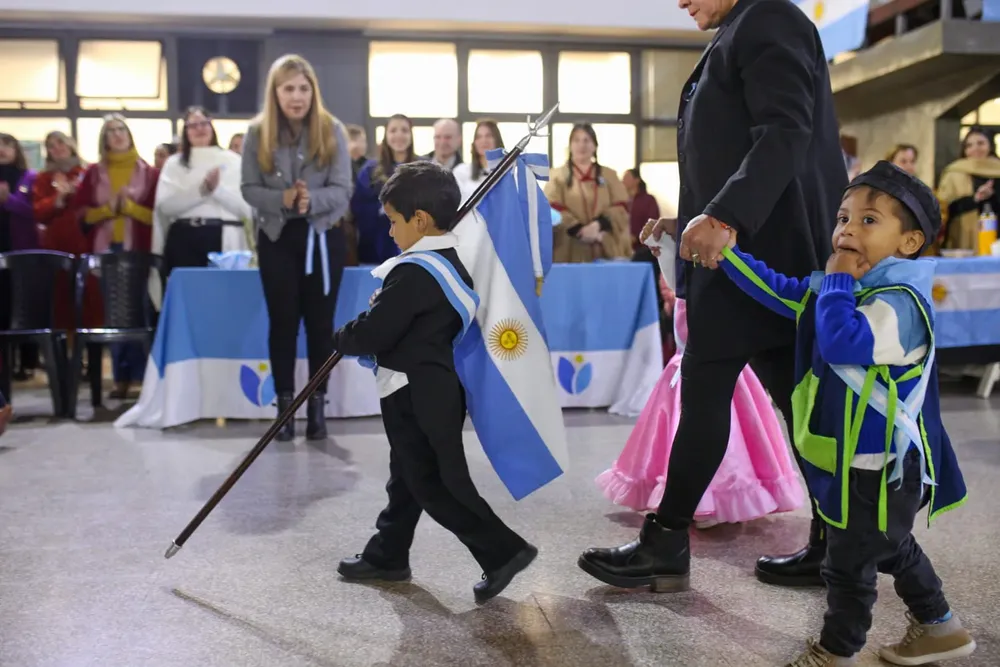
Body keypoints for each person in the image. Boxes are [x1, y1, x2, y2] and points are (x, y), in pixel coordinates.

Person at [577, 0, 847, 590]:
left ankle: (669, 544)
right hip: (744, 253)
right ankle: (831, 544)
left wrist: (725, 216)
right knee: (776, 401)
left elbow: (786, 130)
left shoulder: (771, 18)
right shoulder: (741, 30)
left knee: (768, 400)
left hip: (761, 263)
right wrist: (694, 220)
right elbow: (735, 152)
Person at [719, 161, 975, 666]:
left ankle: (836, 652)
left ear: (909, 243)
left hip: (880, 471)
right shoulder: (853, 289)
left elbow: (841, 342)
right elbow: (781, 291)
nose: (847, 229)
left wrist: (835, 282)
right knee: (889, 546)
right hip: (861, 464)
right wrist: (724, 254)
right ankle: (940, 625)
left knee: (847, 566)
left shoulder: (899, 303)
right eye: (843, 217)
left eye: (869, 220)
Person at [333, 162, 536, 603]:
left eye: (393, 222)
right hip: (425, 389)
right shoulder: (440, 263)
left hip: (416, 393)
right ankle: (388, 553)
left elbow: (375, 331)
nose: (389, 233)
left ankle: (503, 551)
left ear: (420, 220)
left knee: (437, 485)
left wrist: (342, 336)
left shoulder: (416, 271)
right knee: (407, 477)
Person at [597, 229, 804, 530]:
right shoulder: (688, 261)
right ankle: (694, 497)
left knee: (720, 427)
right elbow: (677, 286)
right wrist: (668, 249)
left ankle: (719, 495)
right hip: (690, 358)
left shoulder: (726, 244)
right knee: (689, 427)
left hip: (719, 354)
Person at [241, 54, 352, 441]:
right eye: (289, 88)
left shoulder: (331, 128)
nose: (297, 96)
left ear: (312, 92)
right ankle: (285, 410)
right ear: (276, 92)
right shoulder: (257, 133)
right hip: (277, 239)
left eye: (303, 88)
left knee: (321, 326)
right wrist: (284, 198)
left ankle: (317, 407)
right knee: (283, 324)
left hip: (322, 238)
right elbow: (249, 189)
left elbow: (343, 189)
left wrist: (311, 201)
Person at [76, 114, 159, 399]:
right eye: (111, 131)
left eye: (121, 129)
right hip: (106, 253)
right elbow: (82, 215)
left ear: (130, 134)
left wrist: (131, 208)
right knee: (113, 314)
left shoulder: (149, 173)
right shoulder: (93, 173)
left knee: (139, 311)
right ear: (104, 139)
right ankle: (120, 377)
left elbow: (158, 216)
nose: (117, 134)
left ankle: (140, 375)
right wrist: (109, 209)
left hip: (139, 252)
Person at [155, 106, 251, 277]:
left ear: (211, 127)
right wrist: (202, 191)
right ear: (185, 131)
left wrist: (217, 191)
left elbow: (246, 209)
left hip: (223, 238)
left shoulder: (233, 161)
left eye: (204, 124)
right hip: (184, 239)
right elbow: (165, 207)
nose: (199, 129)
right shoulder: (174, 164)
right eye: (192, 125)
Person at [545, 123, 632, 262]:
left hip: (606, 248)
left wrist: (597, 225)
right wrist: (579, 229)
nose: (582, 145)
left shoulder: (609, 175)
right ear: (570, 145)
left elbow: (621, 207)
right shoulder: (556, 176)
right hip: (568, 250)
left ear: (595, 146)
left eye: (587, 140)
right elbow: (551, 207)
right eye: (576, 140)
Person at [351, 114, 416, 264]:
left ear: (411, 135)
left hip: (415, 248)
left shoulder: (423, 168)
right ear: (385, 135)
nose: (399, 135)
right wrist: (385, 209)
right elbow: (358, 207)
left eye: (404, 130)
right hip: (376, 248)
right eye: (393, 130)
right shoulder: (370, 170)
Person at [936, 126, 1000, 252]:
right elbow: (944, 210)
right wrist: (974, 199)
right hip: (962, 239)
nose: (975, 148)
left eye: (980, 143)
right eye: (969, 145)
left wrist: (994, 195)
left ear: (990, 146)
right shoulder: (953, 172)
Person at [451, 119, 503, 203]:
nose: (484, 140)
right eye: (479, 137)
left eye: (488, 136)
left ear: (497, 140)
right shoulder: (461, 171)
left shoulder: (509, 172)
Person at [622, 167, 660, 250]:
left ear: (637, 180)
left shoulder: (648, 200)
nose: (623, 180)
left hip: (643, 248)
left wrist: (636, 237)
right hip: (622, 247)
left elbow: (652, 221)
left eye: (627, 178)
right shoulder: (622, 200)